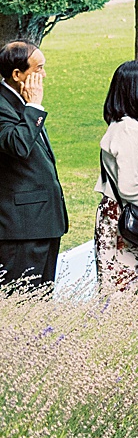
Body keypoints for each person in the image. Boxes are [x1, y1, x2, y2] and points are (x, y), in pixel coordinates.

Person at [0, 42, 66, 291]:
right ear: (17, 74)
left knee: (41, 302)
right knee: (22, 301)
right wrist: (35, 106)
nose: (44, 75)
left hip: (42, 222)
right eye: (39, 68)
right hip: (20, 229)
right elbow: (17, 145)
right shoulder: (7, 105)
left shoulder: (21, 101)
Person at [95, 59, 138, 296]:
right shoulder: (127, 130)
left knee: (123, 289)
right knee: (121, 294)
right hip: (121, 218)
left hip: (120, 215)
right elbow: (129, 187)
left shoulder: (128, 126)